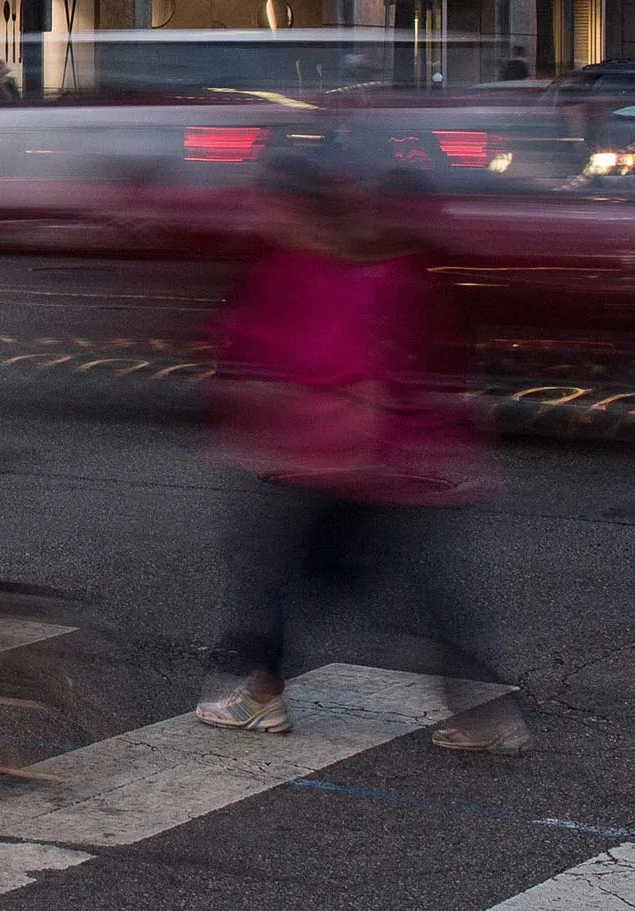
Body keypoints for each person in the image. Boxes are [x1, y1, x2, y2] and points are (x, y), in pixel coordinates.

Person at [193, 152, 529, 752]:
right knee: (401, 584)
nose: (256, 215)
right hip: (392, 458)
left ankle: (261, 692)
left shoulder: (318, 267)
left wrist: (335, 444)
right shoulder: (388, 264)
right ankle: (487, 712)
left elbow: (347, 369)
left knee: (272, 570)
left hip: (329, 456)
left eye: (266, 203)